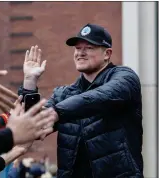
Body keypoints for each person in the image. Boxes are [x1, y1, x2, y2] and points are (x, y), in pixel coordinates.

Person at [18, 23, 143, 177]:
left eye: (89, 48)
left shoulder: (125, 78)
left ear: (107, 54)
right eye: (77, 48)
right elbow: (34, 128)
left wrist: (58, 112)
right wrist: (29, 83)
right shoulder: (63, 95)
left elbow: (101, 96)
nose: (80, 53)